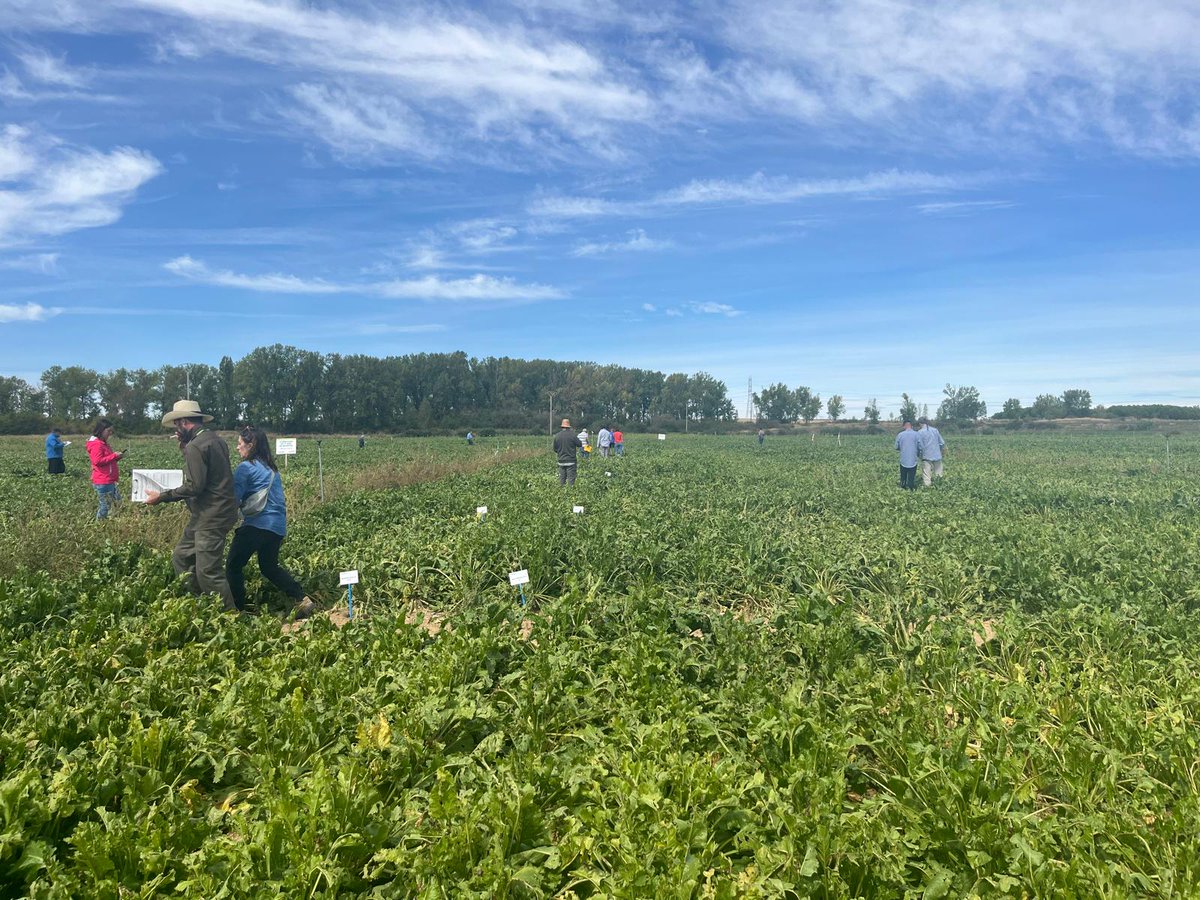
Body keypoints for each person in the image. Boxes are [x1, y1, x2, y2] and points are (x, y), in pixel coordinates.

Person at [145, 400, 239, 611]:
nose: (176, 430)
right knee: (181, 557)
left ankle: (231, 617)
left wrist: (161, 497)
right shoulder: (214, 440)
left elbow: (195, 486)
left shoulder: (196, 446)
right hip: (209, 513)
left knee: (207, 571)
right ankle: (202, 604)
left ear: (184, 422)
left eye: (177, 425)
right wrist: (184, 446)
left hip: (211, 515)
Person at [226, 425, 314, 618]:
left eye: (240, 444)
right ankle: (301, 598)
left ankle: (239, 610)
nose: (237, 448)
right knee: (269, 567)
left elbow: (234, 500)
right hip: (277, 527)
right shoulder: (271, 469)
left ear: (251, 445)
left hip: (256, 525)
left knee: (233, 565)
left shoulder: (245, 468)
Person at [86, 418, 124, 519]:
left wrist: (116, 458)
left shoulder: (103, 443)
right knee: (105, 506)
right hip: (103, 480)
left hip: (108, 479)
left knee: (117, 502)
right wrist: (114, 456)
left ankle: (111, 521)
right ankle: (99, 525)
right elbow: (97, 461)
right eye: (108, 431)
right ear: (101, 430)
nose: (110, 433)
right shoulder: (97, 444)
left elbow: (107, 461)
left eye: (111, 431)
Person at [554, 417, 583, 485]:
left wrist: (560, 452)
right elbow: (579, 444)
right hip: (571, 460)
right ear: (569, 427)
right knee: (571, 480)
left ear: (562, 427)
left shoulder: (557, 436)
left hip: (561, 460)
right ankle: (570, 493)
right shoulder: (572, 435)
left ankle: (562, 493)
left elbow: (555, 449)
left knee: (562, 479)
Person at [917, 417, 946, 486]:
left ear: (920, 423)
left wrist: (919, 455)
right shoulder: (935, 430)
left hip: (926, 456)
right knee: (939, 473)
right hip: (937, 455)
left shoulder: (920, 432)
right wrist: (940, 451)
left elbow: (919, 446)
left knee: (926, 473)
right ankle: (939, 486)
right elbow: (942, 443)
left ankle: (928, 488)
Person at [895, 420, 920, 490]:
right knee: (912, 475)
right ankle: (911, 487)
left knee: (903, 474)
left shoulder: (900, 435)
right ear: (911, 426)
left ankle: (903, 486)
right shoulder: (917, 434)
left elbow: (896, 447)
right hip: (913, 458)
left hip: (903, 458)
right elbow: (920, 446)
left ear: (904, 426)